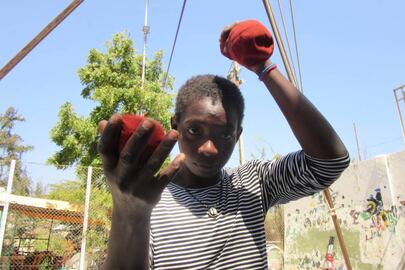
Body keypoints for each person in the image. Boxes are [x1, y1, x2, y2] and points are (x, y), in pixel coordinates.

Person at [98, 22, 350, 270]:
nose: (209, 148)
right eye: (195, 130)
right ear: (175, 124)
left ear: (238, 135)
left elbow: (329, 162)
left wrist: (263, 67)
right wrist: (131, 214)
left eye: (225, 135)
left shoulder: (253, 182)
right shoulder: (149, 198)